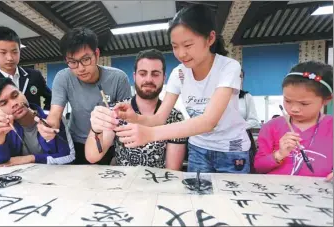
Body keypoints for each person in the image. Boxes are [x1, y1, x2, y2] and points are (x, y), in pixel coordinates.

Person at [100, 4, 251, 173]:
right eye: (175, 46)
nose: (181, 54)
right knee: (197, 197)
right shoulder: (179, 73)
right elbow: (158, 119)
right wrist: (135, 117)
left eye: (187, 45)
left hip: (231, 150)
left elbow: (209, 122)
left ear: (210, 38)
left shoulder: (229, 67)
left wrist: (150, 135)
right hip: (198, 149)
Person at [40, 27, 131, 165]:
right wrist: (48, 127)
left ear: (97, 54)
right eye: (72, 62)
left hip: (106, 144)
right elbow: (55, 113)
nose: (80, 68)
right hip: (76, 143)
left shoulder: (118, 78)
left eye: (86, 59)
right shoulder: (63, 78)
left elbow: (125, 119)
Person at [86, 49, 187, 170]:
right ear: (134, 76)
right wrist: (95, 130)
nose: (148, 79)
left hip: (157, 184)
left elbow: (173, 171)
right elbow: (92, 157)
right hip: (122, 184)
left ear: (164, 78)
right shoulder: (118, 110)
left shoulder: (175, 117)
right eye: (143, 73)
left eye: (155, 74)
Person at [254, 61, 333, 179]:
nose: (294, 109)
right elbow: (259, 167)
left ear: (326, 100)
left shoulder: (331, 126)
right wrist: (279, 154)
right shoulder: (271, 127)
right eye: (288, 101)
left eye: (304, 104)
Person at [0, 78, 74, 167]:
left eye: (15, 95)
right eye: (4, 103)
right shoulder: (0, 125)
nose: (14, 104)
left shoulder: (51, 117)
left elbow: (69, 157)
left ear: (22, 93)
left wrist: (29, 159)